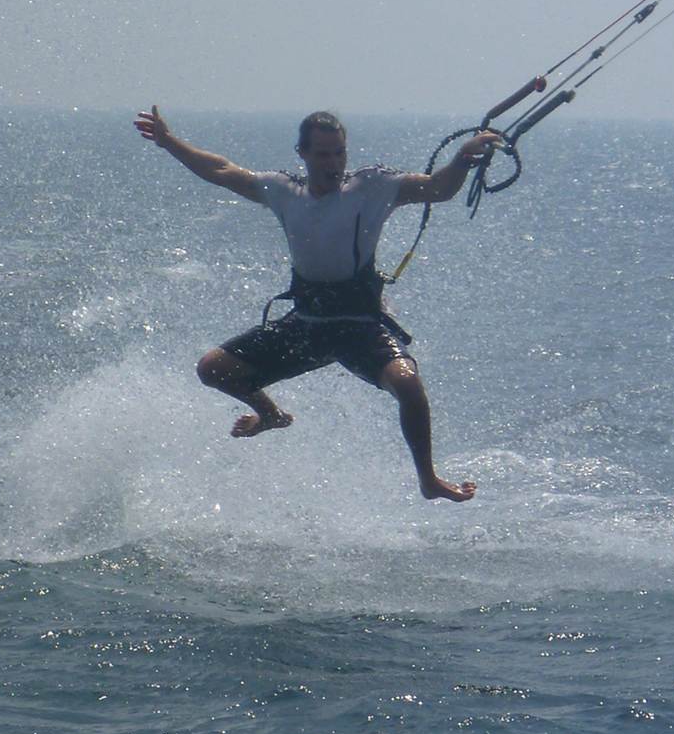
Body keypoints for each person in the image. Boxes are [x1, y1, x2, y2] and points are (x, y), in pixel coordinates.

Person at [134, 105, 500, 503]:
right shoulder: (283, 192)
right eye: (323, 154)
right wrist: (169, 142)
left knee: (408, 384)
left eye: (339, 153)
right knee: (212, 369)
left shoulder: (372, 187)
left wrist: (462, 159)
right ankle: (270, 415)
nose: (333, 163)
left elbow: (438, 188)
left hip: (359, 325)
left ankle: (428, 479)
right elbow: (222, 170)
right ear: (303, 154)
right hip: (307, 324)